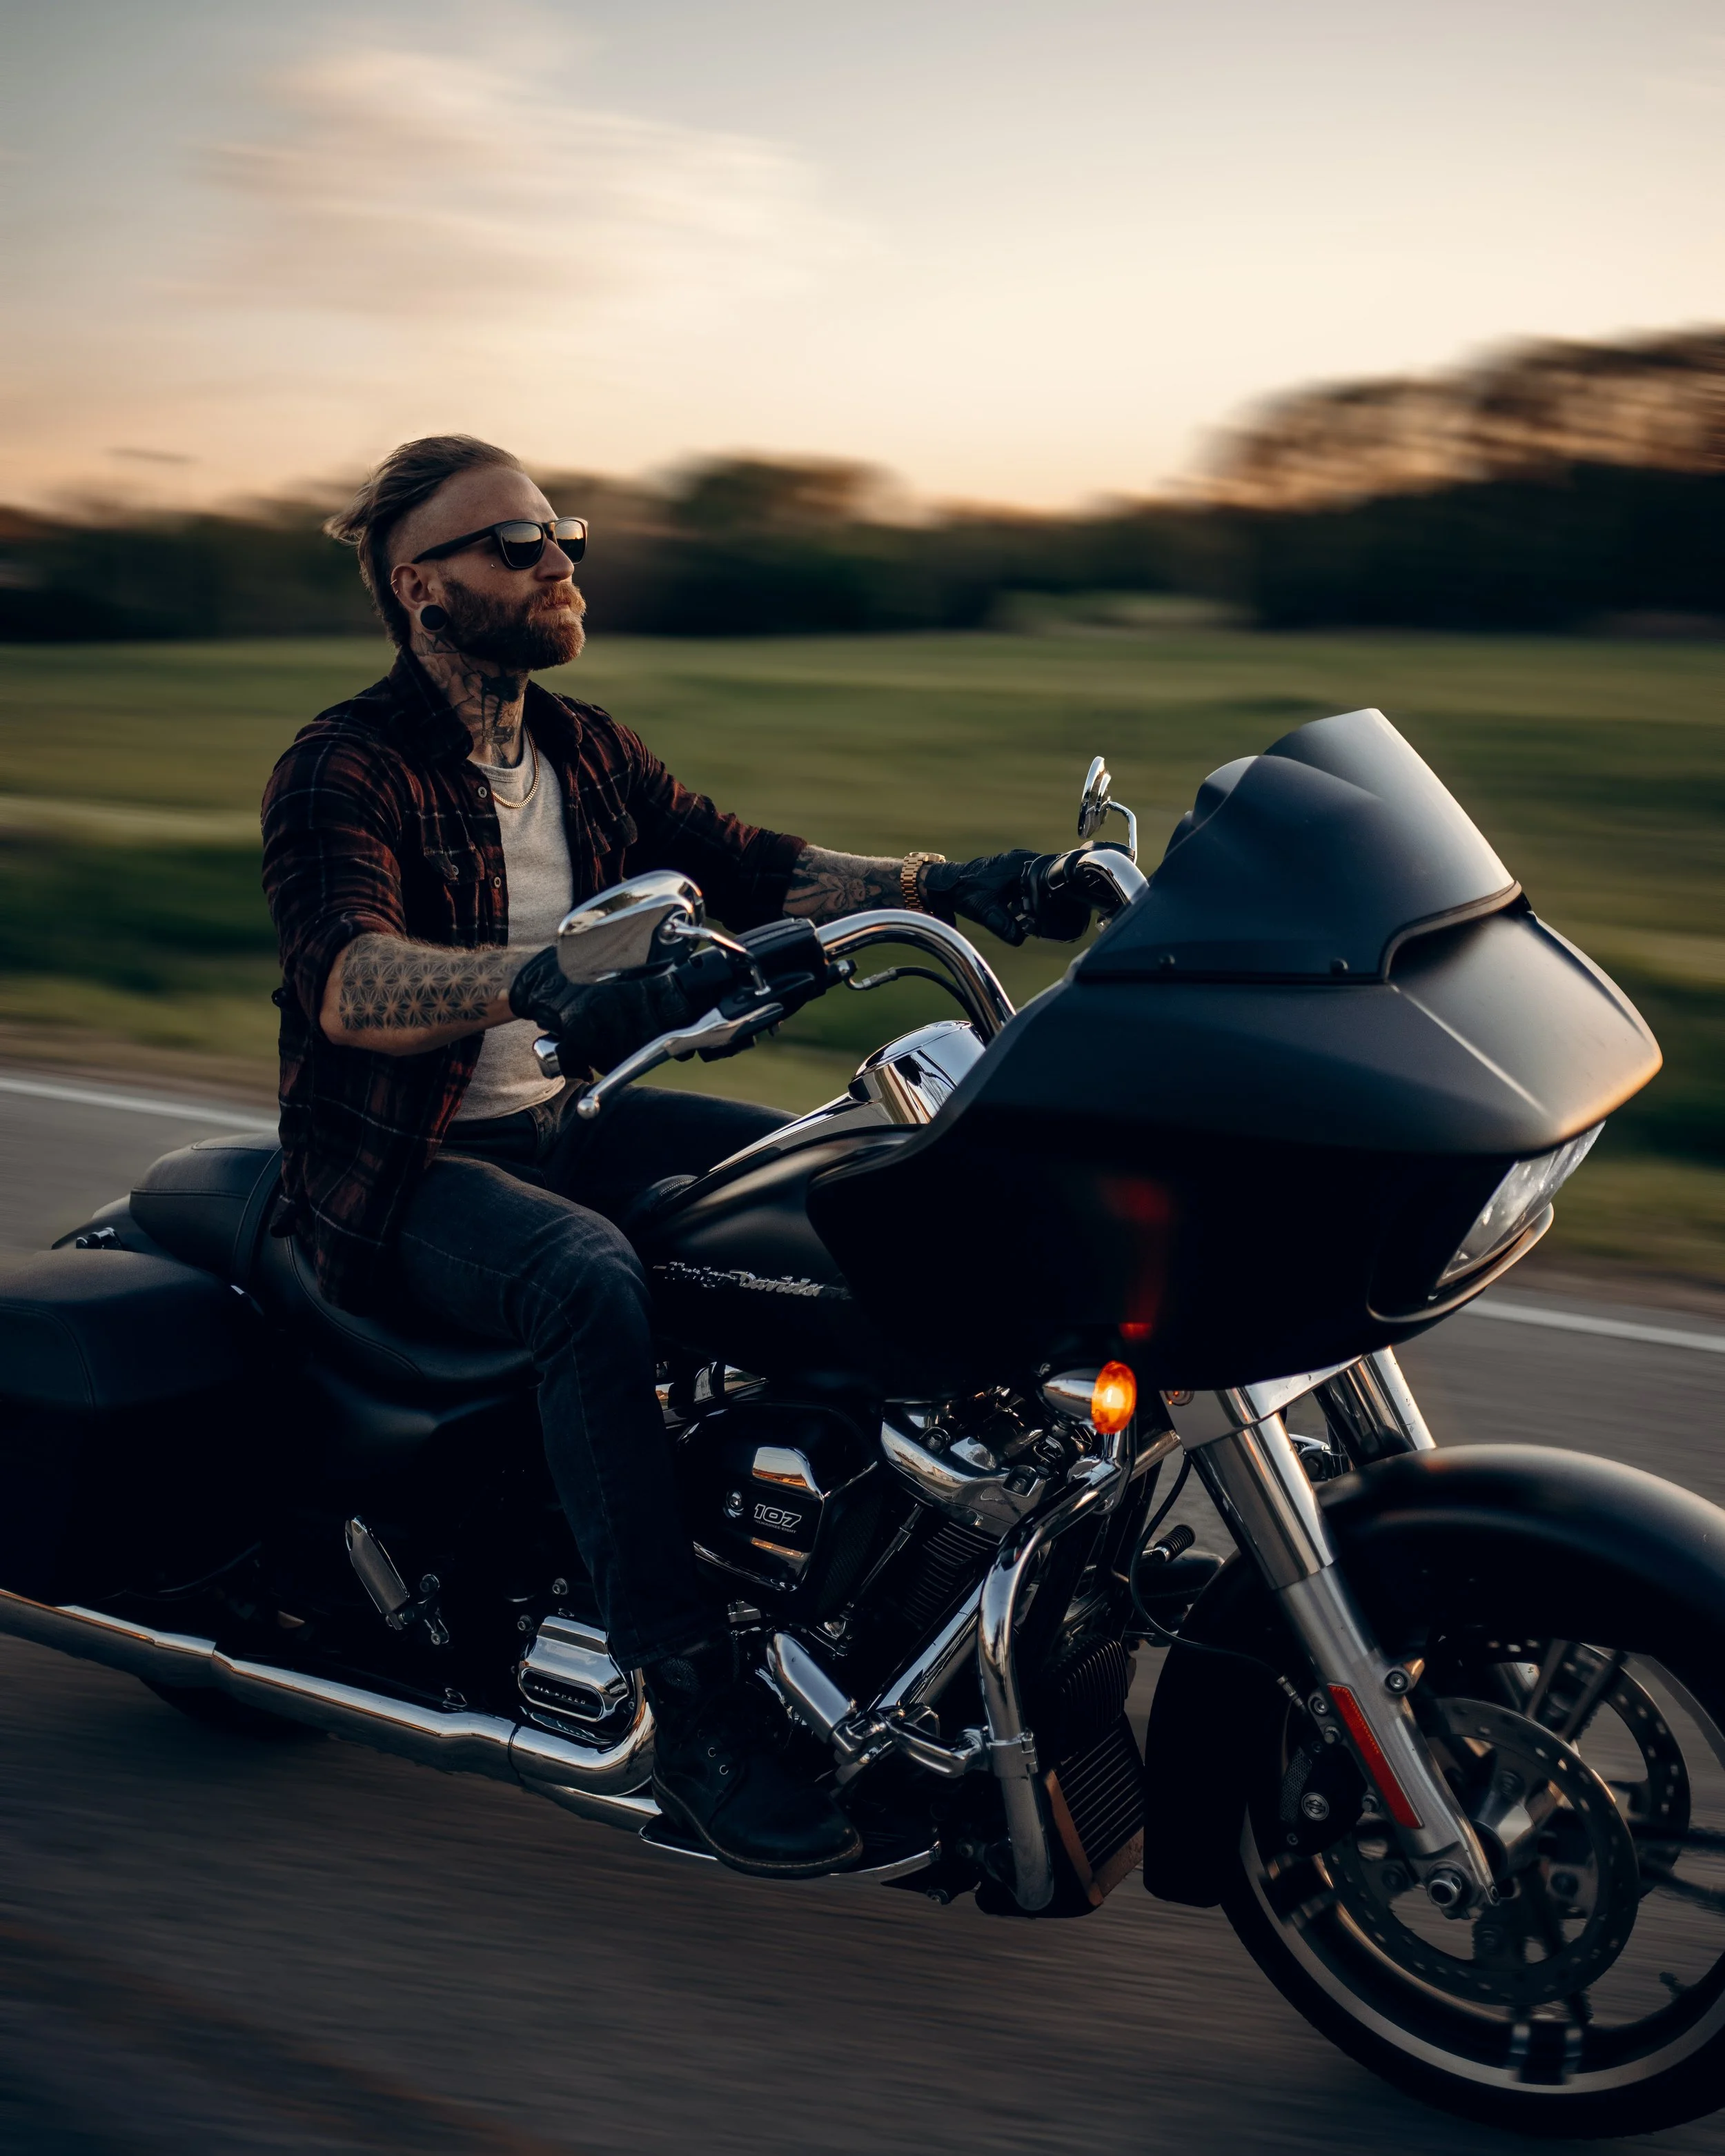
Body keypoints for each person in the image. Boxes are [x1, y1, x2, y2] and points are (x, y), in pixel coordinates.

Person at [261, 434, 1092, 1877]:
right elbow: (350, 979)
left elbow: (753, 860)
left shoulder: (579, 748)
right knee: (587, 1278)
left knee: (831, 1192)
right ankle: (692, 1704)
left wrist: (958, 882)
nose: (558, 557)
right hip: (399, 1171)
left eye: (559, 530)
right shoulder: (345, 763)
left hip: (559, 1125)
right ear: (421, 587)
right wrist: (542, 983)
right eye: (515, 543)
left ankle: (871, 1565)